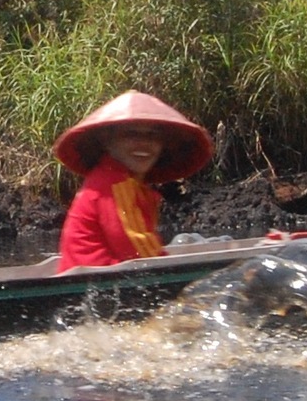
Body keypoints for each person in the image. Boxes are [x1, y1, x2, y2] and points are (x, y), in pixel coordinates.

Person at [53, 91, 215, 272]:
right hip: (95, 279)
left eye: (152, 136)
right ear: (107, 141)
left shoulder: (123, 182)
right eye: (131, 134)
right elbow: (138, 252)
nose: (143, 144)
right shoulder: (114, 185)